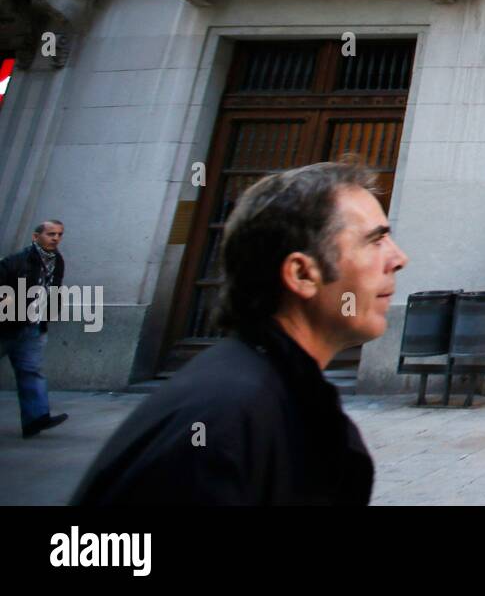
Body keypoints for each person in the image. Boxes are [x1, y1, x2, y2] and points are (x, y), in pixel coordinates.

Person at [74, 161, 408, 505]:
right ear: (302, 274)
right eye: (375, 240)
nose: (399, 258)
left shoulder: (281, 395)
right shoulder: (222, 422)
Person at [0, 221, 70, 438]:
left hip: (33, 327)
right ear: (35, 236)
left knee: (31, 371)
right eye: (51, 234)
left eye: (59, 234)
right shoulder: (16, 262)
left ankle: (36, 419)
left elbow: (53, 289)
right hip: (7, 326)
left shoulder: (56, 261)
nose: (56, 238)